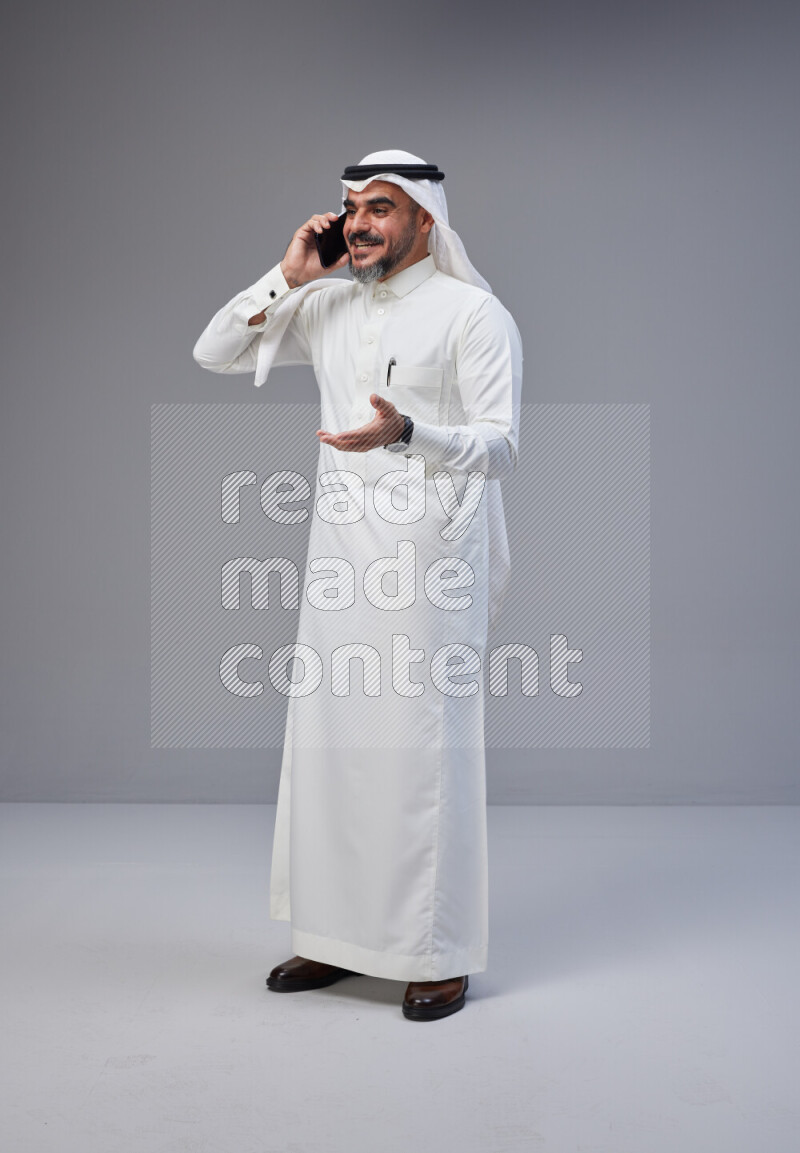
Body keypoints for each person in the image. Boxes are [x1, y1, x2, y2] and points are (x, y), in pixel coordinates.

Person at [193, 150, 523, 1020]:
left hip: (429, 559)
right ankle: (336, 939)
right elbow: (213, 351)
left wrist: (409, 432)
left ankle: (438, 950)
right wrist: (288, 274)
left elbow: (500, 446)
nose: (362, 222)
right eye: (350, 207)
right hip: (341, 559)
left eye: (381, 206)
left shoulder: (473, 314)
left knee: (422, 756)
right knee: (331, 745)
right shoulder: (327, 304)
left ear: (424, 218)